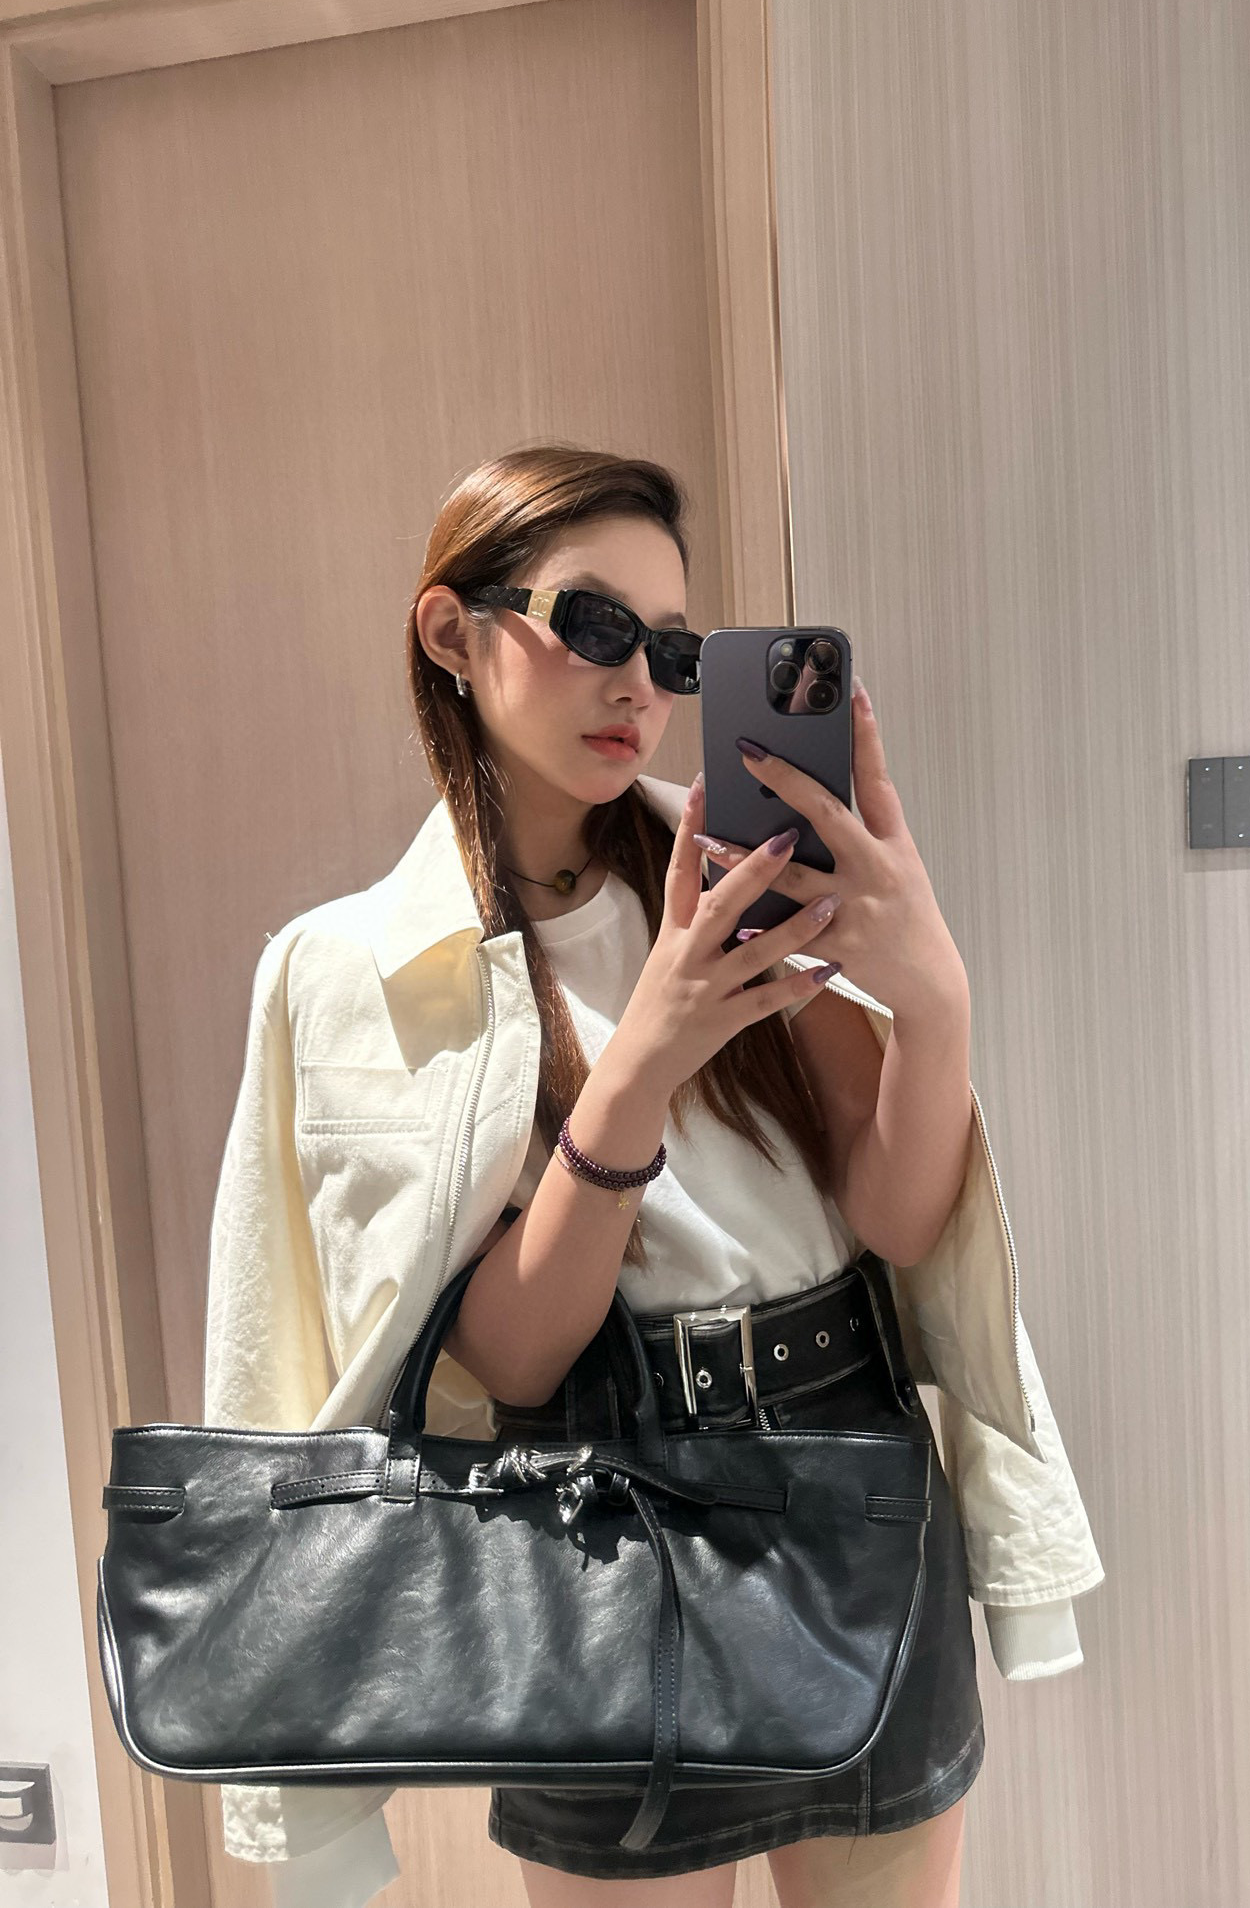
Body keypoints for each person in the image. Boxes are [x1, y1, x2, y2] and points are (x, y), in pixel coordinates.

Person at [203, 443, 1105, 1908]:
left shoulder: (731, 868)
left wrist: (932, 998)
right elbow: (510, 1354)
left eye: (674, 651)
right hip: (586, 1515)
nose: (638, 683)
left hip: (846, 1476)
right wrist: (644, 1062)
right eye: (594, 624)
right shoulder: (359, 969)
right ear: (451, 633)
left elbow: (895, 1215)